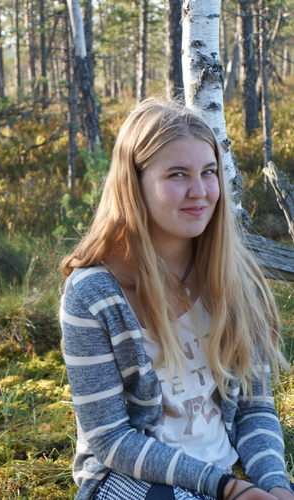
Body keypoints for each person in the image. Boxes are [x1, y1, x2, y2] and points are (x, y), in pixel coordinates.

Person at [60, 99, 294, 500]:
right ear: (134, 184)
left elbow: (255, 408)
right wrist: (230, 489)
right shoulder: (93, 295)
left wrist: (275, 484)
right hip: (129, 479)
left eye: (208, 172)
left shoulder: (237, 279)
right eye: (177, 174)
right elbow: (112, 440)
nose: (199, 192)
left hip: (223, 478)